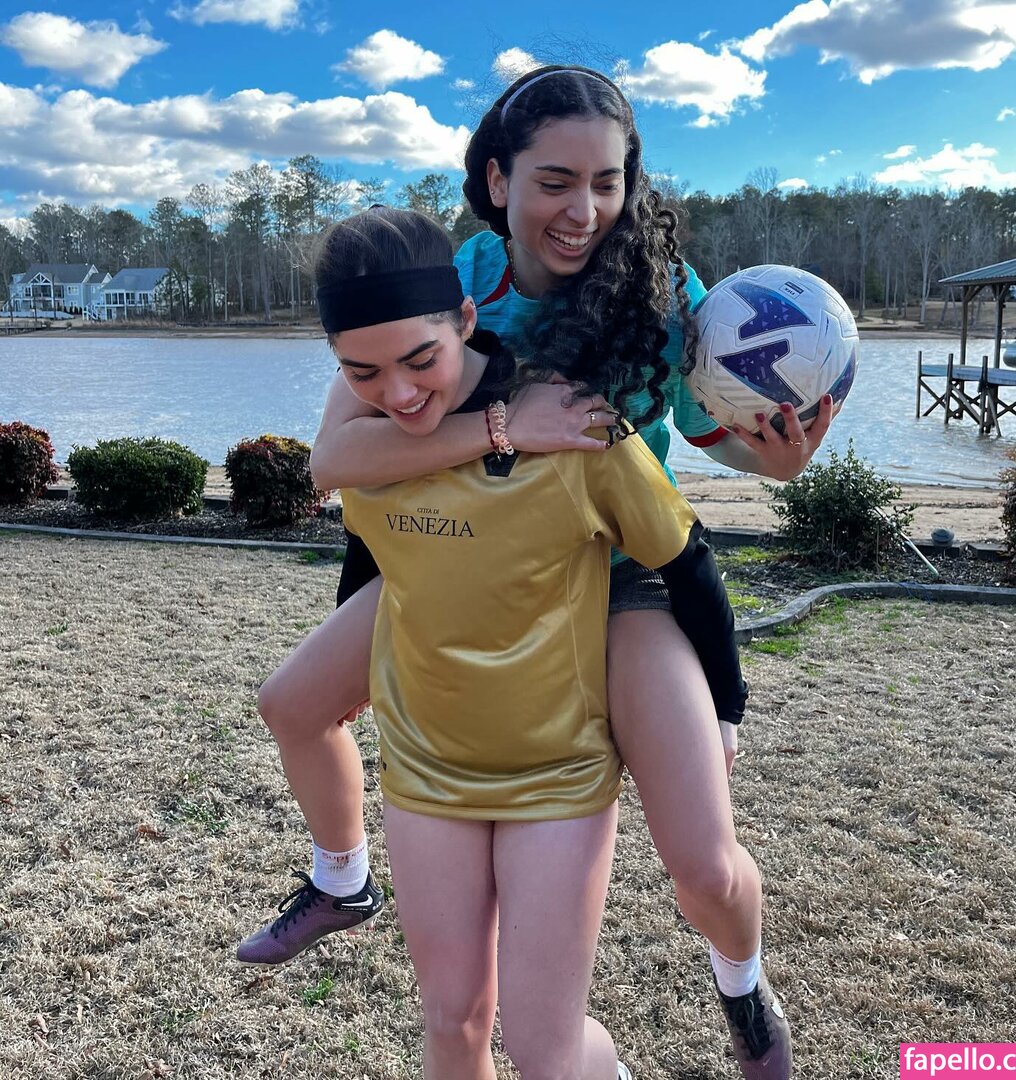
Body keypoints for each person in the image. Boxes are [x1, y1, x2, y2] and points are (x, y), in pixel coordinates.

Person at [243, 67, 822, 1078]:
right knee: (293, 702)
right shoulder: (455, 279)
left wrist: (774, 460)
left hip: (619, 573)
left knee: (703, 865)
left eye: (607, 182)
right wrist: (509, 424)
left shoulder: (664, 289)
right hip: (467, 561)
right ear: (500, 179)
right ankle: (340, 878)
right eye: (556, 181)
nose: (584, 210)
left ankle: (741, 978)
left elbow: (710, 438)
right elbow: (346, 456)